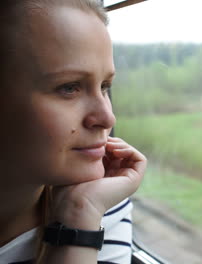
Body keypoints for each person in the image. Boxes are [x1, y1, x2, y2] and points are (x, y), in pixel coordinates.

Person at [0, 0, 147, 263]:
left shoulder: (101, 205)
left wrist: (80, 214)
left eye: (104, 86)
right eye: (69, 88)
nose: (107, 117)